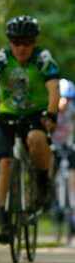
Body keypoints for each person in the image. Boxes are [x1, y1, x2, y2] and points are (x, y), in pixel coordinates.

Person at [0, 15, 59, 245]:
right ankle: (5, 220)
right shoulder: (0, 59)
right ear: (10, 42)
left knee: (36, 138)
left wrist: (52, 113)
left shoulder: (43, 59)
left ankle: (43, 181)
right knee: (4, 163)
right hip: (8, 114)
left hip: (36, 114)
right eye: (17, 43)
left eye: (27, 43)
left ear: (35, 42)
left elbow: (53, 88)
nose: (22, 48)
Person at [51, 79, 75, 233]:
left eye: (68, 98)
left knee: (73, 176)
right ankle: (50, 198)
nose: (65, 102)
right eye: (62, 97)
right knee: (50, 170)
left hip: (69, 146)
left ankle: (72, 210)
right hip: (53, 146)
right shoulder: (51, 111)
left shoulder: (72, 112)